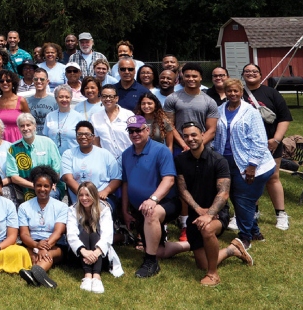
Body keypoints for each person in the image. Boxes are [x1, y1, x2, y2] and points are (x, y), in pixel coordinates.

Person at [174, 122, 254, 286]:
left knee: (207, 228)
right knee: (201, 263)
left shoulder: (218, 160)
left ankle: (213, 275)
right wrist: (198, 210)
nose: (190, 139)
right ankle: (233, 249)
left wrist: (209, 214)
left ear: (203, 134)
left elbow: (223, 192)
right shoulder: (181, 160)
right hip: (195, 214)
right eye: (186, 136)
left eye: (194, 134)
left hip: (218, 213)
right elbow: (182, 189)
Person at [214, 77, 277, 247]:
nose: (232, 94)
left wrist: (252, 165)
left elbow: (259, 141)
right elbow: (216, 135)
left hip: (251, 165)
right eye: (229, 91)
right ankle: (254, 231)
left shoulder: (251, 112)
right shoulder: (219, 110)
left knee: (244, 199)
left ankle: (245, 236)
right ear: (225, 93)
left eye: (236, 91)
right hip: (227, 162)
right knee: (236, 198)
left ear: (241, 92)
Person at [121, 116, 185, 278]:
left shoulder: (160, 150)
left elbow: (169, 179)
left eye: (139, 130)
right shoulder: (126, 154)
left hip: (166, 203)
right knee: (159, 250)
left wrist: (153, 199)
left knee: (152, 213)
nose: (135, 134)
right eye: (131, 131)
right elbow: (126, 184)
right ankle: (192, 245)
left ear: (147, 130)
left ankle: (150, 263)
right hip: (140, 209)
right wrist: (125, 211)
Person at [241, 63, 292, 231]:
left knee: (273, 177)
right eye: (247, 71)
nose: (251, 74)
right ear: (243, 75)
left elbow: (284, 118)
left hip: (270, 144)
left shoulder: (272, 93)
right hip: (247, 145)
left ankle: (281, 214)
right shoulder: (237, 93)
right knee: (250, 179)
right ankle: (253, 212)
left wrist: (276, 140)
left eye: (254, 71)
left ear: (261, 75)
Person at [16, 166, 69, 287]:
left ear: (52, 187)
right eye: (39, 185)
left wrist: (45, 248)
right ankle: (39, 276)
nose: (42, 189)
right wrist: (35, 245)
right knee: (29, 254)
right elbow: (24, 234)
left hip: (55, 245)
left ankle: (33, 272)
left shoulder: (61, 207)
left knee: (47, 255)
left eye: (46, 186)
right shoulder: (24, 207)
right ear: (33, 186)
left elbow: (58, 233)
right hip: (32, 243)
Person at [66, 181, 118, 293]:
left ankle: (97, 277)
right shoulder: (72, 209)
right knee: (84, 232)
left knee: (94, 234)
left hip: (100, 255)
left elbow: (107, 234)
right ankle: (88, 275)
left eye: (87, 195)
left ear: (94, 195)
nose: (84, 198)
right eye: (81, 195)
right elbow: (71, 234)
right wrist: (83, 251)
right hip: (80, 255)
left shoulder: (104, 209)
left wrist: (96, 253)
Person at [60, 121, 123, 205]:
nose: (83, 137)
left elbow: (117, 178)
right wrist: (85, 196)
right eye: (79, 134)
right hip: (78, 200)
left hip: (101, 199)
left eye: (87, 134)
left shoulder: (105, 154)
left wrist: (105, 191)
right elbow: (68, 178)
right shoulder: (68, 154)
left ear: (93, 137)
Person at [5, 113, 64, 201]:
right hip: (26, 189)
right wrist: (36, 186)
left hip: (49, 186)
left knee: (50, 196)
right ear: (18, 128)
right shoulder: (13, 148)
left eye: (28, 125)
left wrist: (49, 184)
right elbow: (14, 177)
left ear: (34, 126)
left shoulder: (48, 143)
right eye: (22, 126)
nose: (25, 128)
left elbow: (57, 168)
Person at [162, 63, 219, 145]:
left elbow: (212, 130)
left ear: (200, 78)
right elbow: (169, 126)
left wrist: (197, 146)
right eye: (187, 76)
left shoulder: (209, 101)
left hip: (202, 147)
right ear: (183, 77)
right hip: (179, 148)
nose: (191, 79)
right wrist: (184, 145)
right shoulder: (172, 98)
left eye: (194, 76)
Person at [91, 86, 134, 157]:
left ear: (117, 98)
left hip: (129, 158)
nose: (107, 99)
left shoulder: (129, 115)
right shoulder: (95, 117)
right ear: (101, 98)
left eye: (111, 96)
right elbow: (96, 143)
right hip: (108, 160)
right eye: (104, 96)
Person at [44, 85, 83, 154]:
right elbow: (46, 138)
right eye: (61, 97)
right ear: (56, 99)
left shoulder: (78, 117)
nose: (64, 100)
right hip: (53, 156)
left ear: (71, 98)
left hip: (73, 156)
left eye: (67, 97)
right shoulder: (50, 116)